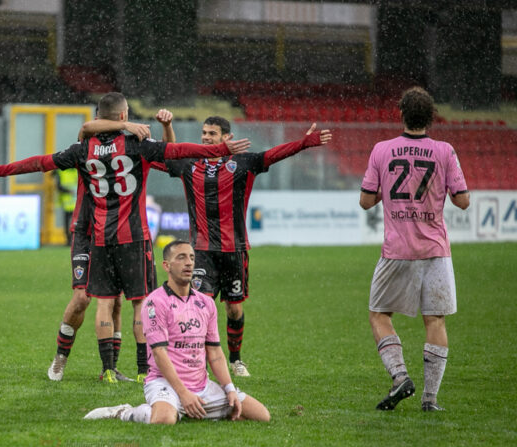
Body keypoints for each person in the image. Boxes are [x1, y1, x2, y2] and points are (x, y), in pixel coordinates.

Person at [0, 92, 250, 383]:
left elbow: (42, 162)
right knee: (137, 302)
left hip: (101, 234)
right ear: (122, 116)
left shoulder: (83, 149)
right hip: (128, 234)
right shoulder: (137, 145)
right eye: (127, 113)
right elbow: (179, 151)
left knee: (107, 302)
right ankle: (141, 371)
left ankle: (109, 369)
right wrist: (219, 149)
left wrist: (0, 170)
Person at [163, 116, 332, 377]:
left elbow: (273, 155)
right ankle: (198, 362)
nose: (206, 137)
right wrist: (162, 130)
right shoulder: (190, 163)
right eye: (204, 132)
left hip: (235, 249)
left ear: (227, 138)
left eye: (212, 133)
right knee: (201, 305)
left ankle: (236, 360)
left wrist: (302, 144)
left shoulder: (243, 163)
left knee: (233, 308)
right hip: (202, 251)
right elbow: (166, 154)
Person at [359, 86, 469, 412]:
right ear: (431, 117)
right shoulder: (445, 151)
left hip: (397, 250)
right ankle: (430, 399)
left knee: (379, 314)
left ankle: (400, 376)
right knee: (434, 320)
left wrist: (389, 192)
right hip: (435, 249)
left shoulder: (382, 150)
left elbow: (366, 201)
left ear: (401, 113)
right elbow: (462, 201)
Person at [46, 109, 175, 382]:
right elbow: (87, 125)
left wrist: (160, 131)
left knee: (115, 301)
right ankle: (61, 356)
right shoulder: (87, 142)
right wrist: (128, 123)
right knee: (82, 298)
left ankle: (110, 368)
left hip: (116, 229)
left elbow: (168, 158)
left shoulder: (127, 149)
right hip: (86, 230)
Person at [83, 240, 270, 424]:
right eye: (181, 257)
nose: (188, 262)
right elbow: (159, 353)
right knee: (164, 420)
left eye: (191, 258)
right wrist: (183, 394)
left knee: (261, 415)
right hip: (164, 384)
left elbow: (214, 352)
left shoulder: (206, 303)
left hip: (202, 386)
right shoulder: (155, 302)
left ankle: (193, 410)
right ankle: (123, 412)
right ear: (167, 265)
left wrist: (229, 389)